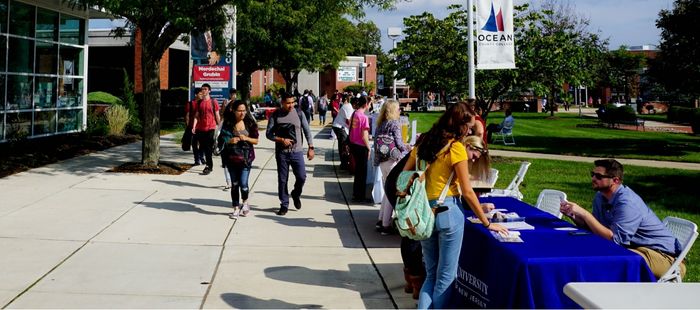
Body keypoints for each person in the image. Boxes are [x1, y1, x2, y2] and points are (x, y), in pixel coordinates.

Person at [402, 102, 507, 309]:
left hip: (424, 213)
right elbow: (467, 192)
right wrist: (487, 223)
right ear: (460, 125)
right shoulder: (456, 148)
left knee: (431, 275)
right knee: (446, 277)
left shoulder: (423, 144)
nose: (469, 131)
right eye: (468, 127)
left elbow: (406, 174)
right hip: (449, 212)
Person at [560, 159, 685, 279]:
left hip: (664, 257)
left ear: (615, 180)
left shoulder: (627, 203)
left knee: (613, 259)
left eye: (599, 176)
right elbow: (597, 229)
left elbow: (615, 241)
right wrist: (576, 216)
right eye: (592, 174)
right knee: (592, 250)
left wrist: (585, 214)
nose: (593, 178)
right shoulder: (600, 197)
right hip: (636, 248)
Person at [266, 93, 315, 216]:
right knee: (282, 180)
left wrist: (311, 147)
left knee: (302, 177)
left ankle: (296, 194)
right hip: (282, 153)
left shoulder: (299, 113)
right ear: (282, 102)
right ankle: (284, 204)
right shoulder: (275, 115)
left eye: (293, 102)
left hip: (297, 152)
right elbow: (268, 134)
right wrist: (281, 140)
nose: (291, 105)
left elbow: (307, 130)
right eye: (288, 103)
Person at [373, 99, 408, 235]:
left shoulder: (380, 124)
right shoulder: (395, 124)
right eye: (398, 109)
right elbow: (399, 144)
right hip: (393, 160)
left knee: (387, 190)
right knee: (391, 192)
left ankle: (381, 219)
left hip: (382, 161)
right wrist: (408, 148)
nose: (400, 111)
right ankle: (386, 225)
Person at [220, 100, 259, 219]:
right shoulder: (228, 123)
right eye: (239, 111)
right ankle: (236, 208)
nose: (242, 113)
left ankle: (245, 202)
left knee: (243, 184)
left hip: (246, 158)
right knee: (235, 184)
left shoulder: (250, 123)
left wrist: (246, 138)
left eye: (244, 110)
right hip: (231, 158)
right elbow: (222, 139)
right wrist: (229, 141)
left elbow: (256, 141)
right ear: (234, 111)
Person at [191, 83, 221, 175]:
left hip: (211, 127)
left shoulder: (213, 102)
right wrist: (194, 126)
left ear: (209, 91)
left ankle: (209, 166)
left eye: (205, 89)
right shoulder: (199, 102)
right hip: (201, 128)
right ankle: (207, 163)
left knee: (208, 147)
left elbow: (217, 115)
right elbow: (196, 116)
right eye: (202, 89)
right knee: (202, 147)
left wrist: (220, 127)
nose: (203, 91)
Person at [349, 96, 371, 202]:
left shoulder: (354, 113)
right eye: (370, 104)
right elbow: (364, 135)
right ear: (366, 104)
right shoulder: (364, 117)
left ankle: (356, 193)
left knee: (358, 172)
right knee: (362, 173)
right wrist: (369, 147)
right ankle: (360, 196)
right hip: (361, 147)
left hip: (353, 145)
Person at [220, 88, 238, 190]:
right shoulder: (226, 102)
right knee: (226, 160)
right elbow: (222, 115)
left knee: (235, 160)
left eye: (234, 94)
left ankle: (235, 180)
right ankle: (228, 181)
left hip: (235, 135)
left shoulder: (239, 104)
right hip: (226, 136)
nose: (233, 95)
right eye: (232, 94)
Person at [332, 94, 354, 170]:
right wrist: (352, 130)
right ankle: (344, 164)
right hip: (339, 127)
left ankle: (344, 163)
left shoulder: (348, 106)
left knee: (343, 145)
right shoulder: (347, 107)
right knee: (343, 145)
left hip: (339, 126)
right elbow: (348, 121)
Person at [185, 87, 205, 165]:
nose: (202, 95)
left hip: (202, 127)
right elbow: (187, 115)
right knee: (194, 144)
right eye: (200, 94)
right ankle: (197, 159)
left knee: (203, 143)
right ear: (196, 94)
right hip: (193, 127)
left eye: (202, 94)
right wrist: (188, 126)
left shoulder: (203, 103)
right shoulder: (190, 103)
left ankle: (201, 156)